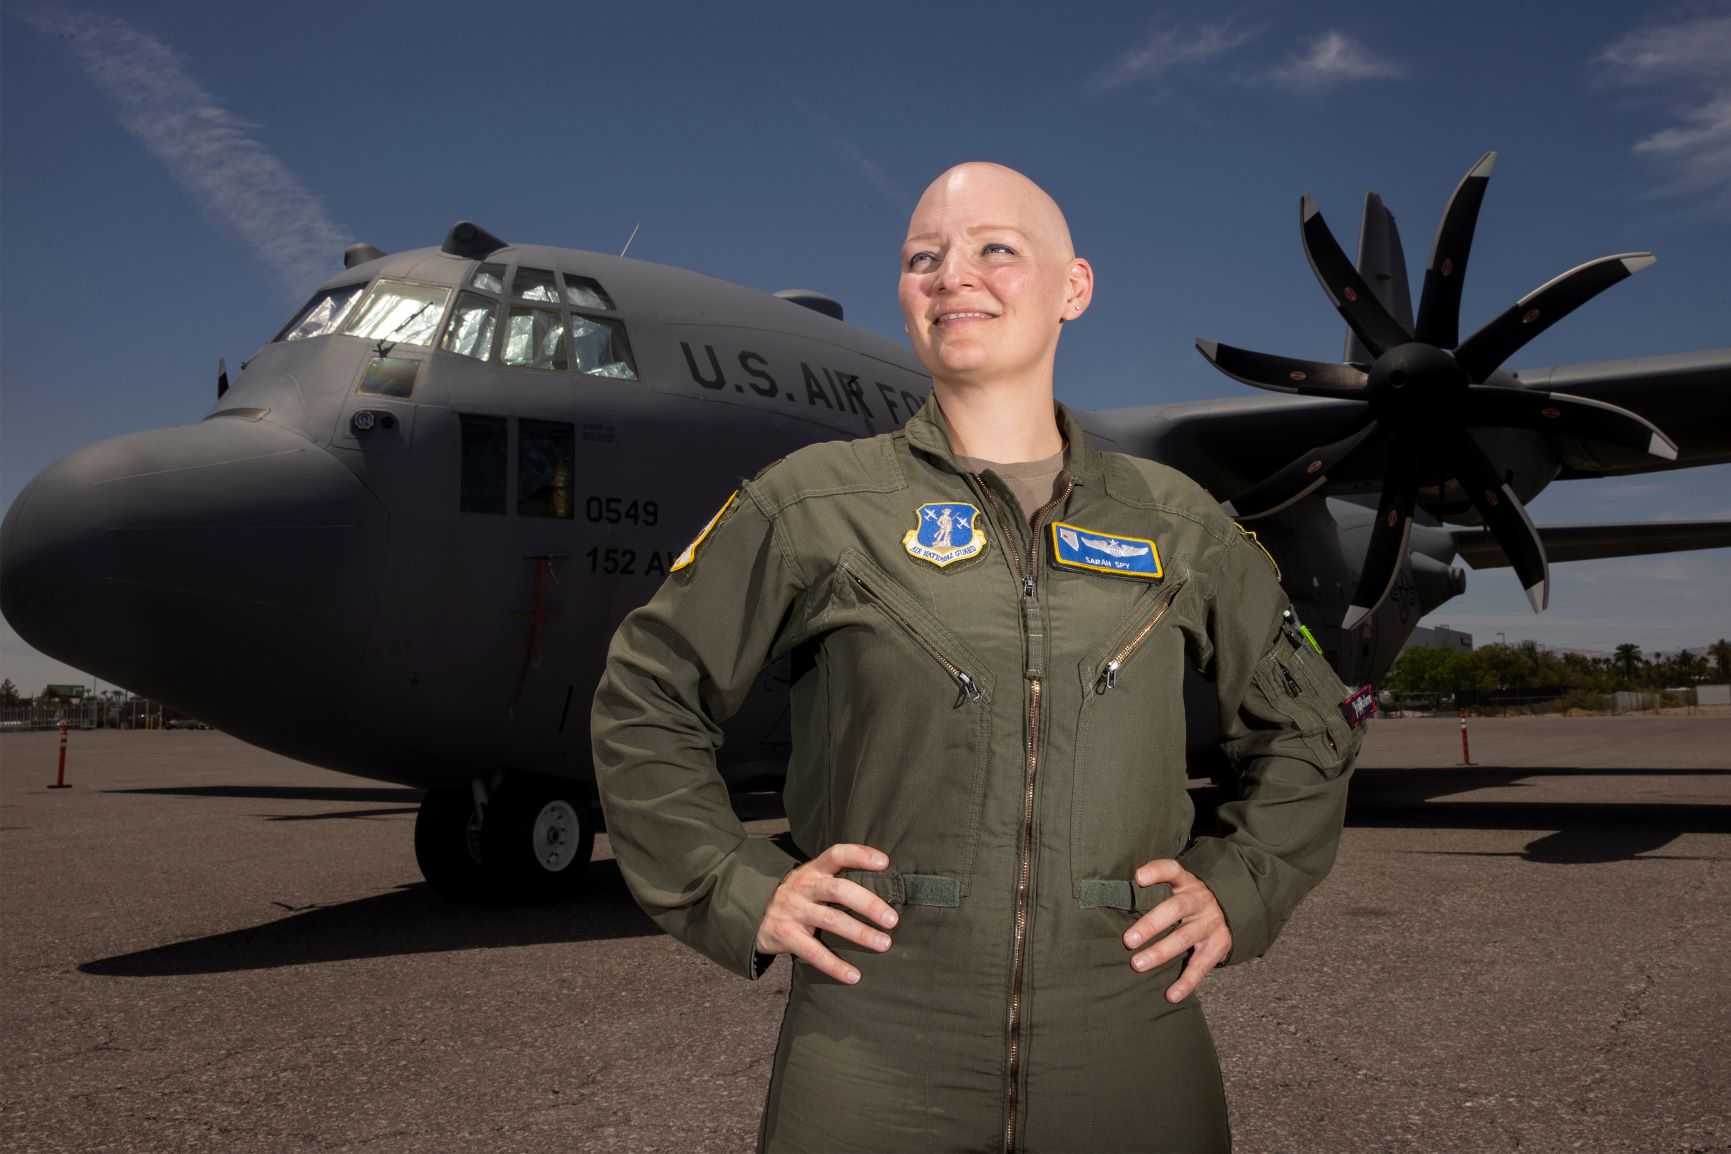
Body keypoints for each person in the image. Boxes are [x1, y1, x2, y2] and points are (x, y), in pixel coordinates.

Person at [592, 162, 1363, 1153]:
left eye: (996, 249)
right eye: (924, 258)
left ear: (1073, 287)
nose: (954, 275)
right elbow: (647, 692)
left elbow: (1309, 726)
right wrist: (737, 884)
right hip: (873, 1043)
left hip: (1130, 1036)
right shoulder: (810, 504)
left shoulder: (1180, 523)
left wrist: (1243, 881)